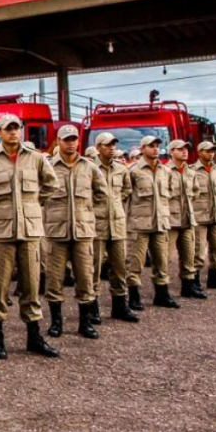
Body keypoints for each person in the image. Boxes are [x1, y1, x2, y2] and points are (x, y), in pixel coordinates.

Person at [0, 114, 59, 360]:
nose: (14, 132)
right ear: (0, 133)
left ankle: (34, 337)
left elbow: (51, 184)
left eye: (17, 128)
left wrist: (34, 204)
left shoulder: (35, 158)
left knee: (31, 285)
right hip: (1, 232)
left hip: (29, 232)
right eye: (8, 129)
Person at [42, 124, 107, 339]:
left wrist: (87, 212)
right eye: (66, 139)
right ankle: (56, 323)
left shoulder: (89, 167)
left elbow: (101, 194)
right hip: (56, 231)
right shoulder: (48, 166)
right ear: (58, 142)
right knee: (54, 279)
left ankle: (85, 323)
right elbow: (38, 195)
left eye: (74, 139)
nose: (70, 143)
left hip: (83, 231)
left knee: (85, 278)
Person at [125, 136, 180, 309]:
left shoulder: (165, 171)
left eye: (157, 146)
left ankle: (162, 295)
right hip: (139, 223)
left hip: (160, 222)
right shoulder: (133, 171)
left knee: (162, 261)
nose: (155, 149)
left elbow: (168, 193)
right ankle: (134, 296)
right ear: (142, 149)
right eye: (151, 146)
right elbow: (125, 195)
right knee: (135, 262)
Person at [91, 133, 139, 322]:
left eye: (113, 144)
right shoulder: (90, 167)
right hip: (96, 223)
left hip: (117, 223)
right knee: (93, 268)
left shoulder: (121, 168)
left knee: (119, 267)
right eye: (107, 145)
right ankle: (92, 306)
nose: (111, 148)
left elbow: (126, 190)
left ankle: (120, 306)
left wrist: (115, 204)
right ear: (98, 147)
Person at [166, 140, 205, 299]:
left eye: (186, 149)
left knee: (189, 255)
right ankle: (162, 290)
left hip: (187, 219)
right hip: (170, 220)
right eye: (180, 149)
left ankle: (188, 287)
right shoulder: (165, 171)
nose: (184, 152)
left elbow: (196, 192)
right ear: (171, 152)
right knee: (165, 257)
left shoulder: (190, 172)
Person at [190, 141, 216, 292]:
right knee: (198, 251)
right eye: (207, 151)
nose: (211, 153)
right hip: (200, 215)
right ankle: (195, 280)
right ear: (199, 152)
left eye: (213, 151)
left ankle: (215, 278)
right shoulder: (192, 170)